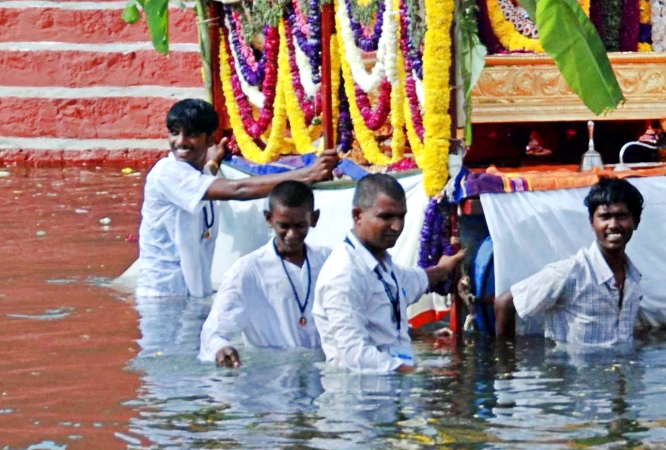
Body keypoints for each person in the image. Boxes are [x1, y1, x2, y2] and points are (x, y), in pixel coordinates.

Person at [135, 98, 336, 301]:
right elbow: (238, 189)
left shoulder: (200, 174)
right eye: (174, 132)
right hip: (162, 295)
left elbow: (206, 175)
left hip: (190, 294)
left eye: (191, 134)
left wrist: (214, 160)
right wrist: (308, 174)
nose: (180, 141)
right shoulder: (166, 172)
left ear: (210, 138)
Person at [315, 174, 464, 374]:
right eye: (386, 217)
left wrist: (444, 269)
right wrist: (416, 372)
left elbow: (414, 280)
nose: (397, 226)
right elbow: (353, 354)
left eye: (401, 217)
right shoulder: (344, 274)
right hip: (359, 389)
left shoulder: (384, 264)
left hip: (391, 383)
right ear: (357, 215)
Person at [495, 177, 645, 346]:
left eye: (622, 216)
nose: (613, 225)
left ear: (636, 222)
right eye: (605, 216)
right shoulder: (569, 273)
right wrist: (507, 360)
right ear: (592, 223)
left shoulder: (633, 278)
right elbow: (504, 303)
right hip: (571, 363)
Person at [198, 181, 328, 367]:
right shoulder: (247, 271)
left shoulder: (328, 262)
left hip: (321, 372)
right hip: (269, 375)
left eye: (300, 226)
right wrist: (221, 349)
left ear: (314, 219)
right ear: (269, 219)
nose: (291, 234)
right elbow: (214, 332)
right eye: (284, 226)